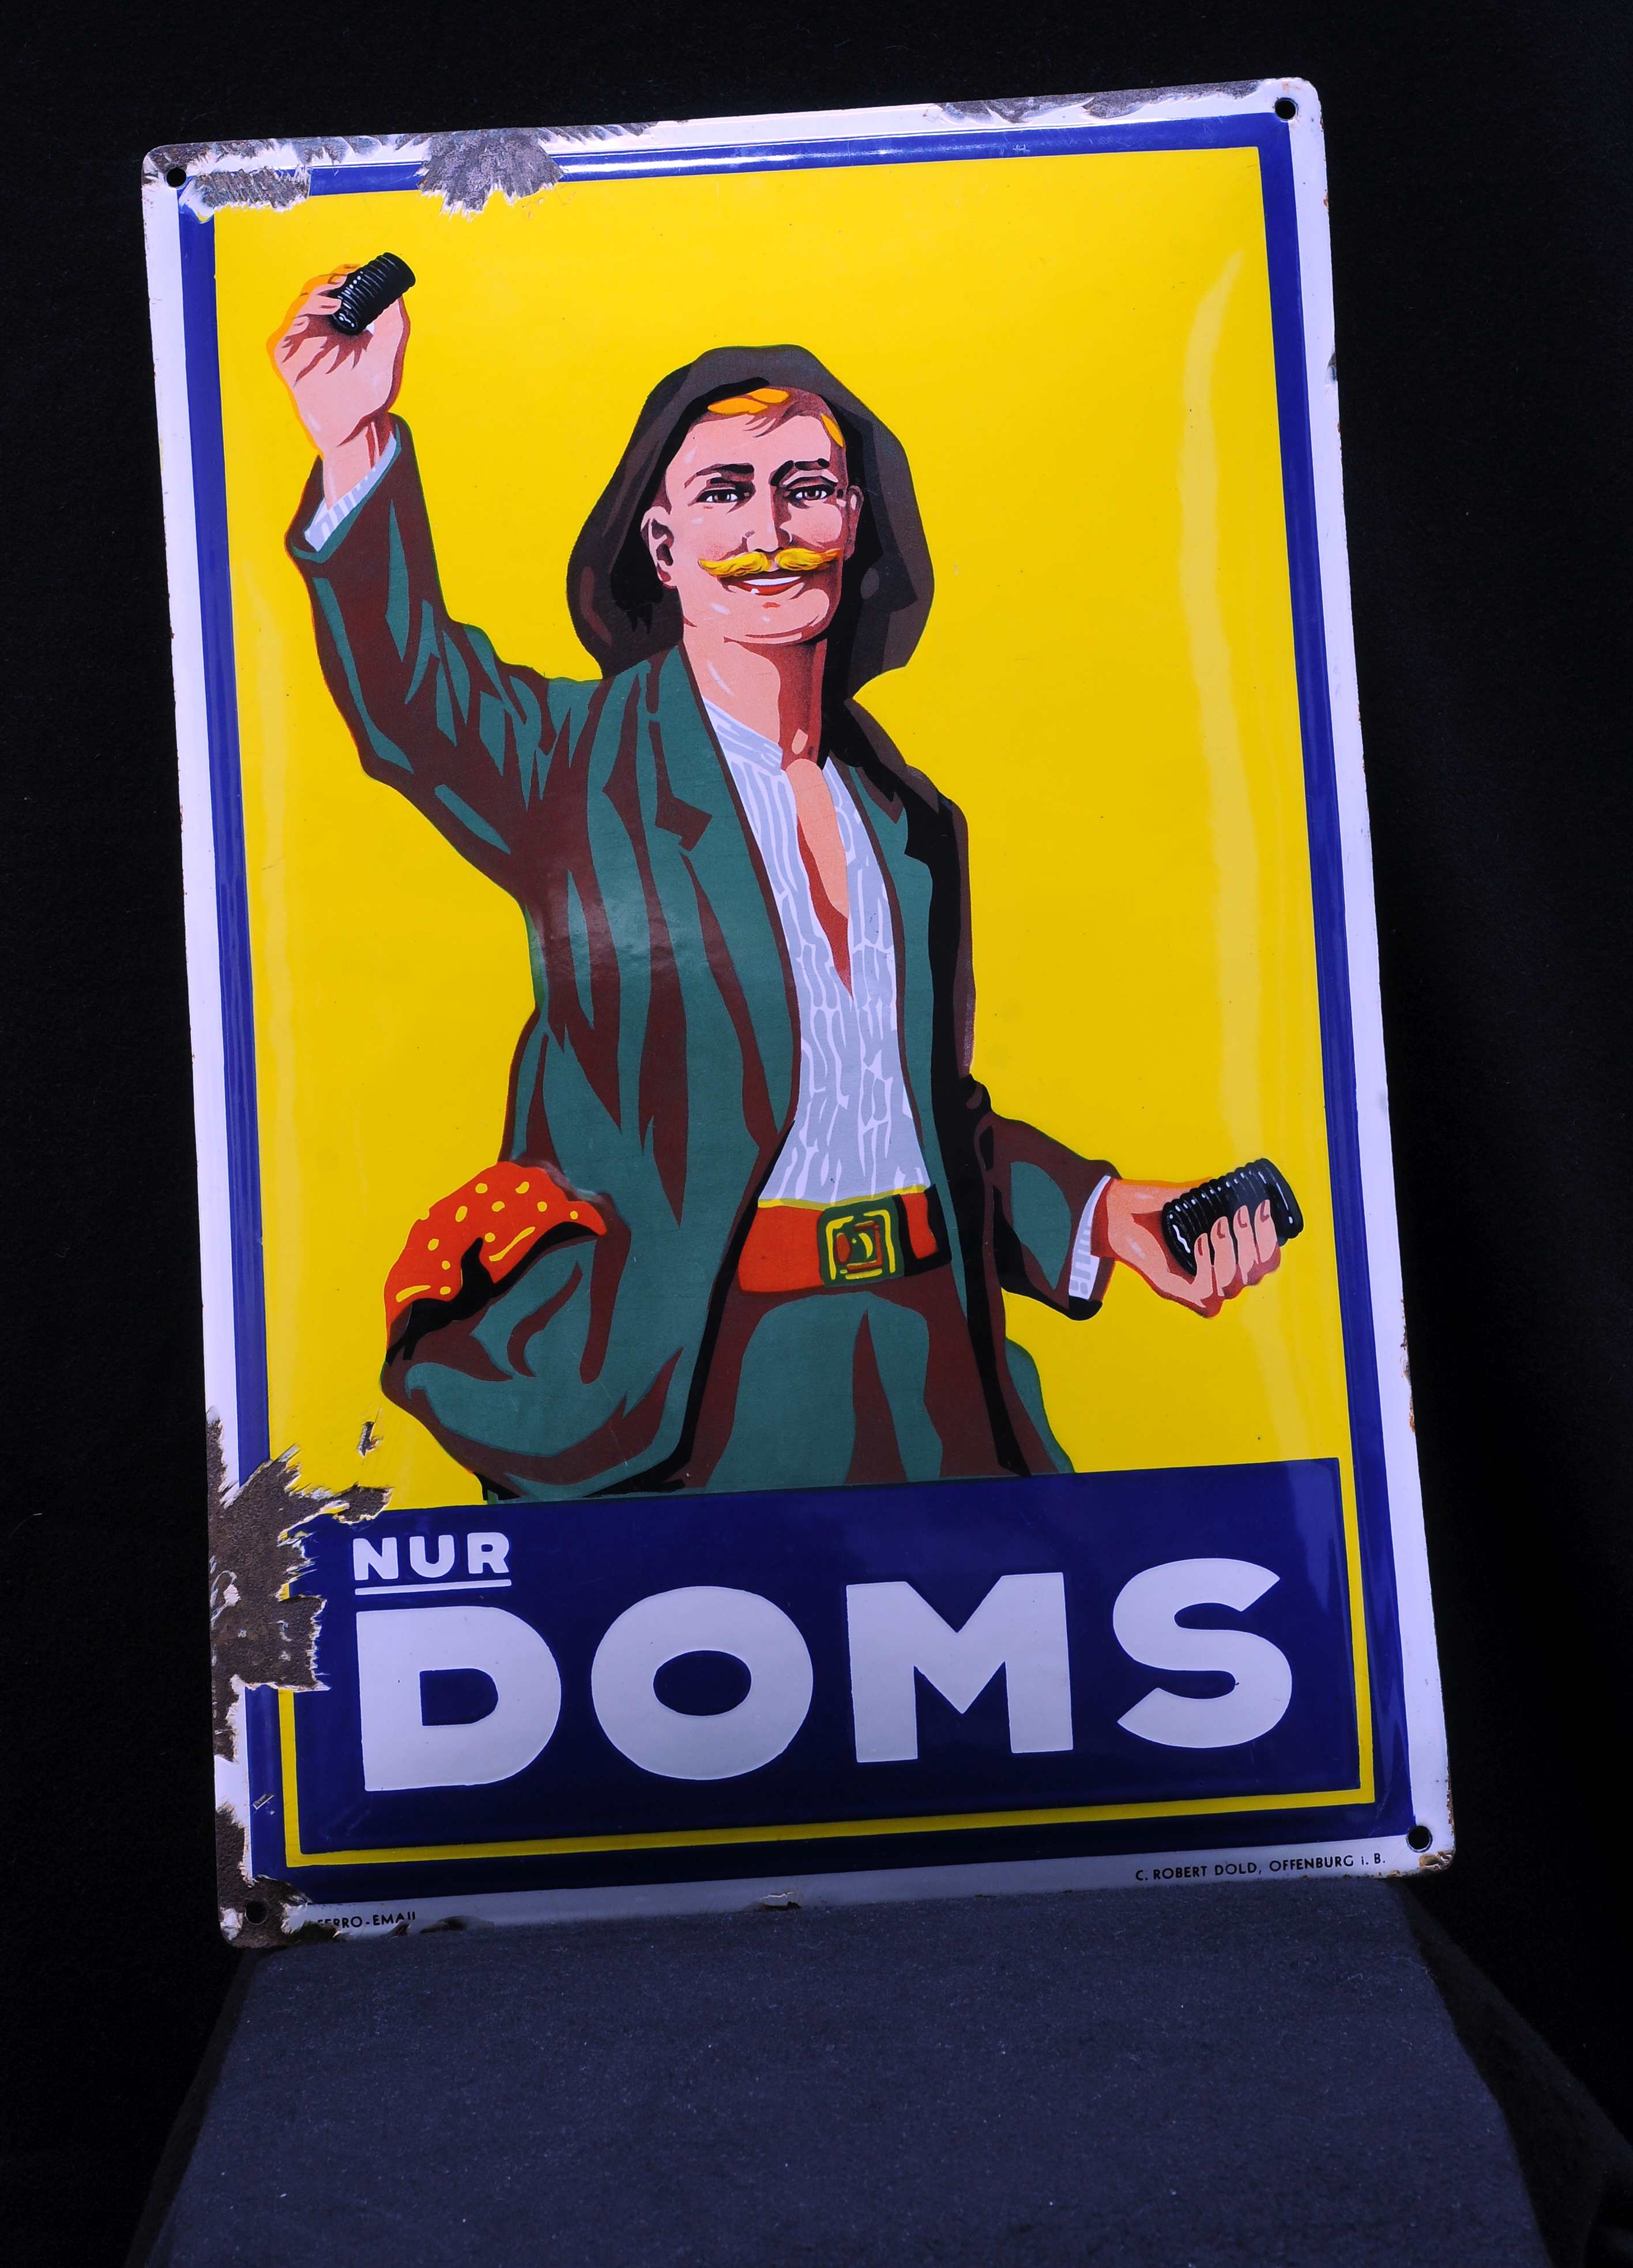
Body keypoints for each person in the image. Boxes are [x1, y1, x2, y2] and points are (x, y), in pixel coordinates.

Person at [272, 272, 1284, 1501]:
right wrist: (354, 441)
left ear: (855, 521)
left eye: (808, 488)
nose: (772, 529)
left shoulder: (910, 821)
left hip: (931, 1365)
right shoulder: (577, 768)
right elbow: (412, 696)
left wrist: (1108, 1215)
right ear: (663, 544)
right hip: (693, 1384)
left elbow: (923, 1116)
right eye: (725, 492)